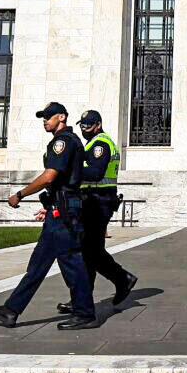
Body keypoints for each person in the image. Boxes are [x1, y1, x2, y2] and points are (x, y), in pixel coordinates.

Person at [0, 102, 97, 330]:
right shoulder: (68, 141)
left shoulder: (63, 141)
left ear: (62, 117)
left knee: (72, 264)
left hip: (64, 214)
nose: (45, 120)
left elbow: (49, 177)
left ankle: (85, 313)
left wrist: (20, 194)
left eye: (49, 116)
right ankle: (11, 310)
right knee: (38, 265)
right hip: (59, 210)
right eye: (43, 117)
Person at [56, 110, 138, 315]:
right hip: (94, 201)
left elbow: (95, 172)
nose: (84, 129)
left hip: (97, 201)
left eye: (88, 125)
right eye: (82, 125)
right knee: (90, 251)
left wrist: (70, 168)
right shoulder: (93, 144)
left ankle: (120, 280)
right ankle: (85, 297)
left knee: (88, 251)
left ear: (98, 125)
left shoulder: (100, 143)